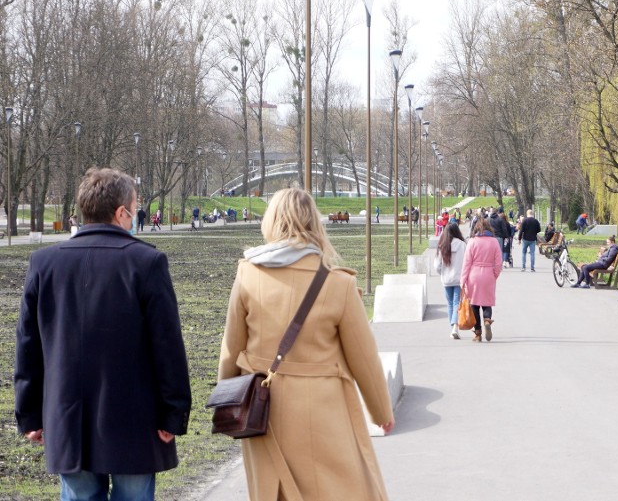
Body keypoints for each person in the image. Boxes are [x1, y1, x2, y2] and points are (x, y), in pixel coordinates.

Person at [15, 167, 192, 501]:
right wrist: (174, 411)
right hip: (135, 417)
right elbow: (167, 345)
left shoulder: (44, 263)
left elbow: (28, 347)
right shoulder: (147, 262)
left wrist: (30, 414)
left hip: (67, 415)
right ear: (122, 212)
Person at [217, 188, 394, 501]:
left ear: (271, 221)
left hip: (262, 409)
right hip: (323, 411)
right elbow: (363, 358)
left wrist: (229, 403)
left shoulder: (248, 273)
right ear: (315, 223)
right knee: (333, 490)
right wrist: (381, 411)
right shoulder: (338, 283)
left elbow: (231, 348)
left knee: (274, 491)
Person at [461, 218, 503, 342]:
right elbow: (498, 262)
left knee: (474, 304)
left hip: (473, 275)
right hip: (488, 275)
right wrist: (494, 274)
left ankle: (478, 333)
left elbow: (466, 263)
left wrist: (462, 280)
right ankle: (487, 319)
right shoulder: (494, 242)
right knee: (487, 303)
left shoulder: (472, 241)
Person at [435, 222, 467, 339]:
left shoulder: (442, 245)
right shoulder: (462, 245)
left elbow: (437, 265)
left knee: (449, 304)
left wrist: (442, 273)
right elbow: (466, 262)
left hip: (446, 279)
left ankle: (452, 327)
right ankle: (455, 327)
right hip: (459, 279)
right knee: (456, 304)